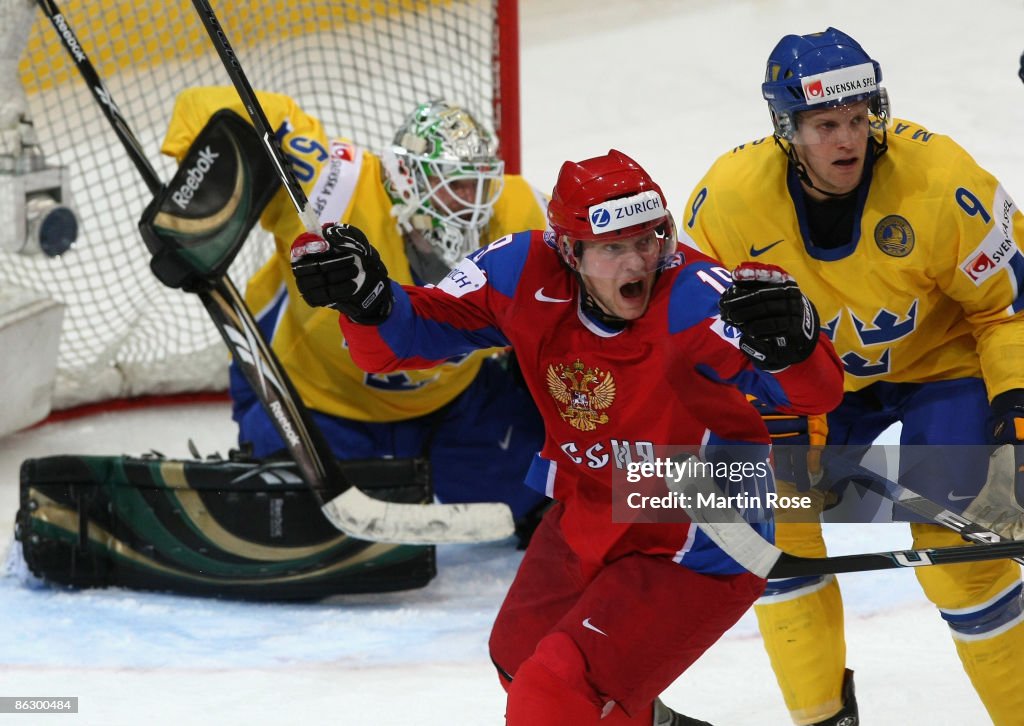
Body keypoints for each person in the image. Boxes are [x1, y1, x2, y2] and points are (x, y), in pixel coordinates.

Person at [287, 148, 844, 724]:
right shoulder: (519, 269)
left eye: (650, 239)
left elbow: (813, 396)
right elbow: (411, 338)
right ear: (569, 252)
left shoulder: (697, 297)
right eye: (612, 247)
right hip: (594, 506)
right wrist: (369, 303)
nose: (639, 263)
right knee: (519, 659)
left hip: (700, 531)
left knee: (553, 695)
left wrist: (794, 349)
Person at [682, 27, 1024, 725]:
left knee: (962, 550)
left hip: (941, 369)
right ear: (787, 130)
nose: (849, 140)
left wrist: (1015, 409)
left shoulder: (945, 181)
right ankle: (822, 718)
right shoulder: (724, 203)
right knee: (774, 540)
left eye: (861, 117)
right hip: (810, 382)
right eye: (827, 124)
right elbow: (698, 337)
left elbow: (1008, 311)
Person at [160, 87, 550, 543]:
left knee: (549, 492)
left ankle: (646, 502)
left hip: (451, 405)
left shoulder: (519, 212)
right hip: (317, 402)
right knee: (286, 528)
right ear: (407, 178)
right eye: (454, 184)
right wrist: (204, 176)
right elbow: (204, 103)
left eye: (479, 183)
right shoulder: (334, 192)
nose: (472, 201)